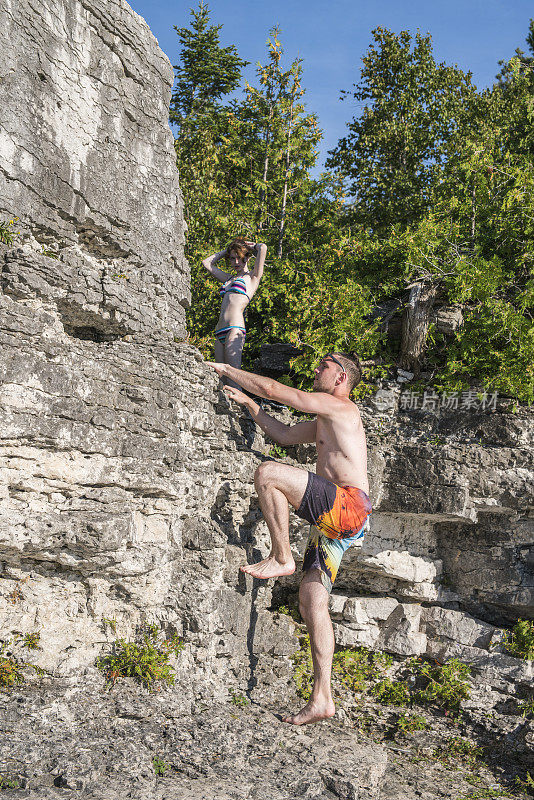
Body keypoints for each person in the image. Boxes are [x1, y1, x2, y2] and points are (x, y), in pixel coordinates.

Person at [206, 352, 371, 726]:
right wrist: (251, 407)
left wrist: (227, 370)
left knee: (268, 474)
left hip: (346, 506)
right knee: (313, 599)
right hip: (342, 519)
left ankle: (282, 557)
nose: (316, 369)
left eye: (324, 365)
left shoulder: (340, 407)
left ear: (341, 377)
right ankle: (322, 698)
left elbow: (275, 389)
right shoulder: (326, 419)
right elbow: (282, 434)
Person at [202, 238, 267, 381]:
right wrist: (228, 249)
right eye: (232, 258)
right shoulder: (228, 278)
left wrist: (252, 246)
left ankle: (241, 404)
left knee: (234, 377)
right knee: (220, 379)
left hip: (234, 328)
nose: (236, 262)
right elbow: (206, 263)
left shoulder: (252, 277)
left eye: (240, 258)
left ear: (247, 257)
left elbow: (263, 248)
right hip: (219, 331)